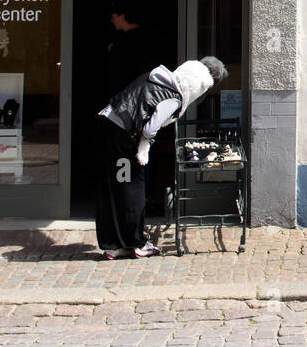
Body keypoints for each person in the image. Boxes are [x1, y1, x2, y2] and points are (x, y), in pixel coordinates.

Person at [95, 55, 228, 259]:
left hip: (112, 125)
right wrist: (143, 149)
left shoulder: (158, 77)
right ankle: (135, 242)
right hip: (123, 137)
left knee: (115, 185)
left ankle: (113, 244)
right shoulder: (174, 95)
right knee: (131, 187)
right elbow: (151, 126)